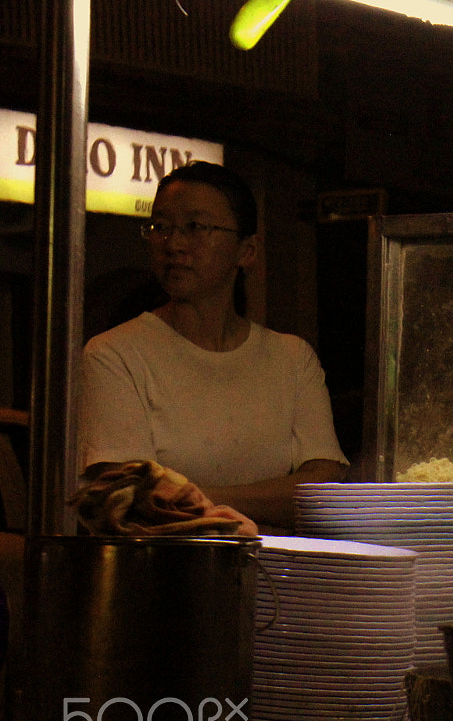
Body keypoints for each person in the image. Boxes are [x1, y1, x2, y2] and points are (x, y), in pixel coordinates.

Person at [79, 161, 346, 529]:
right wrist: (276, 499)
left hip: (278, 576)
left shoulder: (291, 358)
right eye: (161, 227)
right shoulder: (115, 354)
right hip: (171, 577)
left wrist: (187, 495)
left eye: (196, 227)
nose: (173, 244)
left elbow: (325, 488)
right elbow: (130, 500)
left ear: (247, 250)